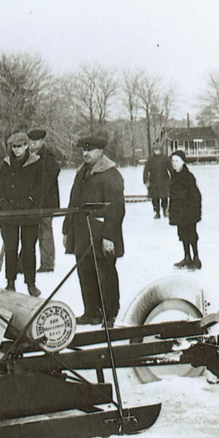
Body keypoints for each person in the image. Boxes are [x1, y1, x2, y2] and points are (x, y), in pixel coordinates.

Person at [61, 131, 125, 326]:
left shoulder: (111, 174)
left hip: (100, 236)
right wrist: (66, 229)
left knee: (105, 277)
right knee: (85, 275)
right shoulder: (81, 173)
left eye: (90, 150)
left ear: (101, 152)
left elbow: (116, 210)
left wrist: (109, 237)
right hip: (82, 235)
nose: (86, 154)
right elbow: (73, 203)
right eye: (84, 151)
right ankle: (91, 312)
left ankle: (109, 314)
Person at [0, 131, 45, 297]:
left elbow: (41, 186)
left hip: (29, 214)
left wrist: (30, 200)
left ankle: (31, 283)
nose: (16, 150)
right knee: (10, 248)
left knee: (29, 249)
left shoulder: (36, 163)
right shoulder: (6, 164)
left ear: (26, 146)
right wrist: (2, 202)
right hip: (9, 214)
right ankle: (10, 281)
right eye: (14, 147)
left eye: (20, 147)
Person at [27, 129, 61, 272]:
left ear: (42, 142)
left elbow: (47, 179)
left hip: (46, 202)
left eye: (35, 142)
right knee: (31, 230)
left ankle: (47, 263)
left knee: (45, 230)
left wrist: (35, 195)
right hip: (33, 202)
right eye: (31, 142)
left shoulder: (48, 157)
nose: (33, 145)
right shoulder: (30, 156)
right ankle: (25, 263)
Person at [167, 149, 203, 270]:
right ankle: (187, 257)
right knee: (182, 234)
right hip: (179, 212)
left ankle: (196, 258)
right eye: (172, 161)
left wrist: (192, 211)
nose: (174, 163)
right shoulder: (174, 176)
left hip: (189, 213)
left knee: (191, 235)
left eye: (177, 161)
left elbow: (196, 196)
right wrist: (170, 210)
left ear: (183, 162)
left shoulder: (188, 177)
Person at [143, 143, 172, 219]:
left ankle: (165, 210)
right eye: (155, 150)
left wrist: (174, 178)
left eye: (158, 150)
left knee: (164, 197)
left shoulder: (165, 159)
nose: (157, 151)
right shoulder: (151, 160)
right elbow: (146, 171)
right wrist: (146, 180)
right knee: (155, 198)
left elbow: (171, 169)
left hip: (164, 181)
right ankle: (157, 212)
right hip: (154, 182)